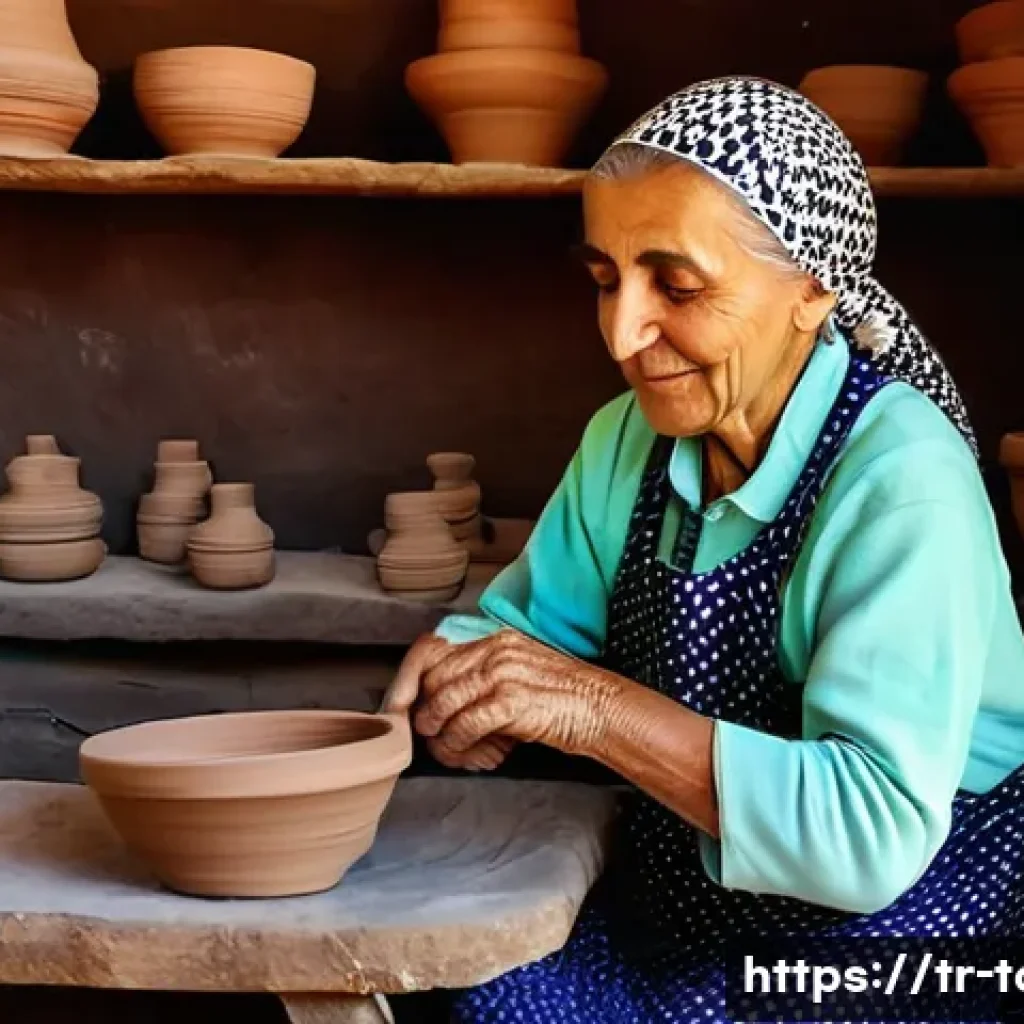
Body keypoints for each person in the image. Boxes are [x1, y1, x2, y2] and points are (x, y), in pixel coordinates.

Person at [386, 77, 1024, 1022]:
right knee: (480, 992)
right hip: (691, 887)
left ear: (811, 292)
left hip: (906, 924)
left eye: (676, 286)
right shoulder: (627, 440)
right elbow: (528, 633)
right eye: (605, 278)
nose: (622, 332)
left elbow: (867, 835)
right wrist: (461, 672)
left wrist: (592, 709)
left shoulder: (902, 479)